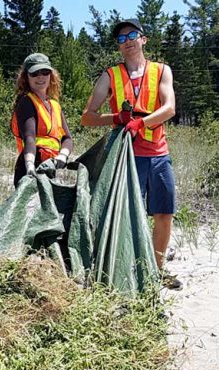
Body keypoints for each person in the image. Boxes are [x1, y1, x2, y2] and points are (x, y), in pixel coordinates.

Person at [80, 18, 180, 290]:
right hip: (125, 158)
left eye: (132, 35)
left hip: (158, 153)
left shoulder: (161, 71)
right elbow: (87, 118)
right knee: (124, 216)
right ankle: (124, 271)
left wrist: (141, 122)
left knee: (164, 213)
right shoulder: (110, 75)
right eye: (121, 39)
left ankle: (156, 270)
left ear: (143, 39)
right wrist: (116, 118)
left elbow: (169, 108)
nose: (127, 42)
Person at [11, 53, 74, 187]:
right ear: (26, 77)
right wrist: (29, 166)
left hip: (55, 166)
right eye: (34, 73)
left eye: (45, 72)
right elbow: (30, 138)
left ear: (51, 75)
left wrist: (62, 156)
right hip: (33, 165)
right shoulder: (26, 102)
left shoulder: (55, 105)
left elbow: (67, 138)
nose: (40, 77)